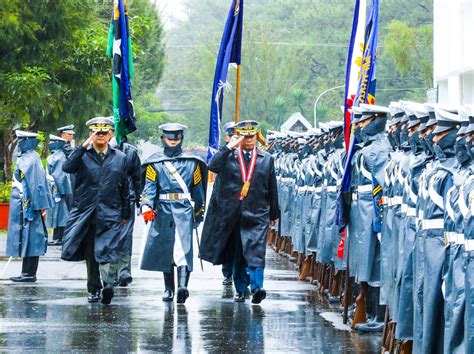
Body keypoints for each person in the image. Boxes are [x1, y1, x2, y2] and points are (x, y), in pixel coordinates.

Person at [200, 120, 280, 304]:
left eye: (252, 136)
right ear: (239, 137)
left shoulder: (266, 158)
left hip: (258, 212)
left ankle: (257, 287)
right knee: (239, 252)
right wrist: (229, 146)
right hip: (234, 213)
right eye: (246, 136)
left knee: (256, 251)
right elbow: (212, 165)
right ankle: (241, 289)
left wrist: (274, 213)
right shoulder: (228, 156)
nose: (250, 140)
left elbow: (272, 187)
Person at [61, 117, 130, 305]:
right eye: (96, 132)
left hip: (111, 211)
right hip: (88, 212)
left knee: (110, 248)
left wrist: (125, 213)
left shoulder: (120, 158)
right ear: (91, 134)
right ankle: (93, 288)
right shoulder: (83, 155)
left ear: (110, 134)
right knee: (91, 253)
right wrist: (83, 146)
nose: (100, 136)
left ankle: (108, 284)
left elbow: (125, 187)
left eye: (103, 132)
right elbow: (67, 167)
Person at [140, 123, 207, 304]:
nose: (172, 142)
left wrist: (199, 212)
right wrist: (146, 206)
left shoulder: (193, 163)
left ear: (181, 139)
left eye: (176, 139)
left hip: (184, 209)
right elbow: (149, 189)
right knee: (166, 249)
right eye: (169, 139)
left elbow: (198, 192)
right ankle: (169, 288)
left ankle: (182, 287)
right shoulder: (155, 164)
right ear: (163, 139)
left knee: (183, 249)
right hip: (162, 209)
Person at [6, 131, 54, 282]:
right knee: (28, 238)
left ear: (27, 141)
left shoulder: (30, 159)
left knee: (32, 238)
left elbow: (36, 185)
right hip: (26, 204)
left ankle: (29, 273)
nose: (18, 143)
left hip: (29, 205)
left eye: (21, 140)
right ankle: (27, 272)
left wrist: (35, 206)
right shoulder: (30, 157)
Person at [109, 129, 142, 287]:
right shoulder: (100, 151)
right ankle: (111, 272)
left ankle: (123, 271)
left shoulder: (131, 152)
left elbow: (138, 178)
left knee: (125, 236)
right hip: (107, 200)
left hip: (127, 199)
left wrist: (141, 202)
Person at [206, 121, 235, 286]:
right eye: (231, 135)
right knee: (227, 241)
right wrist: (229, 147)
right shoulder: (224, 152)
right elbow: (213, 165)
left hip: (245, 203)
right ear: (227, 136)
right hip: (225, 203)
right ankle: (228, 272)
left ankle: (241, 273)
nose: (235, 138)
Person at [46, 134, 73, 246]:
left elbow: (59, 176)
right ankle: (59, 237)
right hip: (58, 189)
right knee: (59, 214)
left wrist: (58, 191)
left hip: (58, 190)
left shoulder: (58, 157)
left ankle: (59, 238)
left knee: (60, 214)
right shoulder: (58, 155)